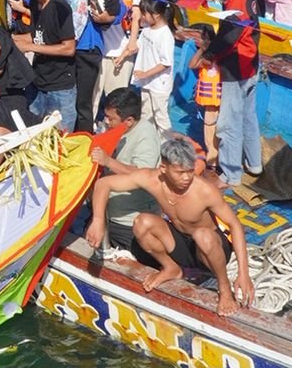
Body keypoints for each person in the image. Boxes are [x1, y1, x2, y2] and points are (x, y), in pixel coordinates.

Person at [87, 134, 255, 315]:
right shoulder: (152, 179)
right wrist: (98, 221)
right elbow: (104, 184)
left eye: (190, 171)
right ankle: (171, 268)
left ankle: (224, 288)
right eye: (180, 172)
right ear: (164, 169)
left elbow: (235, 225)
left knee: (202, 235)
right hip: (180, 243)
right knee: (142, 222)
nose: (187, 177)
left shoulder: (205, 190)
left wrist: (243, 273)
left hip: (211, 248)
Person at [201, 0, 262, 187]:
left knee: (228, 122)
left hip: (236, 66)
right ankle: (254, 163)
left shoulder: (238, 2)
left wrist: (208, 55)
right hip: (252, 61)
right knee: (248, 115)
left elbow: (229, 39)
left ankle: (230, 173)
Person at [86, 88, 162, 250]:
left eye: (111, 118)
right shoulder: (117, 129)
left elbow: (143, 175)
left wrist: (108, 162)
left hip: (129, 221)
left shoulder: (146, 136)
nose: (106, 122)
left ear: (128, 120)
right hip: (109, 213)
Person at [12, 0, 82, 133]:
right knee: (32, 134)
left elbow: (68, 48)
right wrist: (11, 39)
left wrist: (31, 47)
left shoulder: (61, 8)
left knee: (61, 139)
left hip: (60, 87)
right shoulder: (35, 5)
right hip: (37, 81)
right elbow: (38, 35)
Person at [131, 0, 176, 130]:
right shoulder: (146, 31)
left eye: (144, 14)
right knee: (146, 115)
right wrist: (123, 55)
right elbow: (137, 46)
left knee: (160, 117)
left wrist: (146, 74)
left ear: (156, 15)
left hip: (159, 84)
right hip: (147, 83)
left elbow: (165, 63)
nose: (142, 18)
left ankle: (166, 146)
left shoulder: (165, 35)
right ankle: (148, 143)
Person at [188, 27, 222, 167]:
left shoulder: (218, 58)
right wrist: (201, 50)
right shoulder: (205, 58)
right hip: (211, 101)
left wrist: (205, 50)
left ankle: (215, 159)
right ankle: (214, 157)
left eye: (206, 38)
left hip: (218, 99)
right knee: (210, 129)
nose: (204, 41)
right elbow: (191, 65)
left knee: (214, 129)